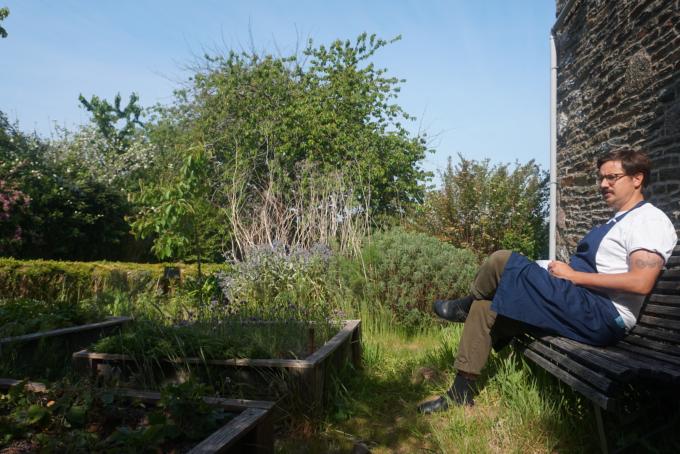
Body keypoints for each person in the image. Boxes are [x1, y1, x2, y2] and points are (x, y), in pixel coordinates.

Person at [418, 149, 678, 413]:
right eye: (601, 178)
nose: (603, 184)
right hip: (581, 303)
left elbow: (641, 281)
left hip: (602, 315)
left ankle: (464, 304)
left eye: (612, 177)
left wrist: (574, 276)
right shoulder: (616, 221)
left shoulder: (649, 220)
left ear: (637, 179)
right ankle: (460, 394)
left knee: (502, 260)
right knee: (485, 309)